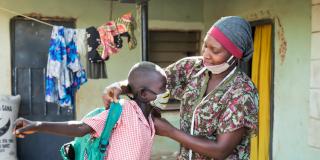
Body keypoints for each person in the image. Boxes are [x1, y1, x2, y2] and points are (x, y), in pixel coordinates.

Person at [104, 16, 259, 160]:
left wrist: (171, 132)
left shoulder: (242, 92)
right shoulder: (192, 68)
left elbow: (221, 150)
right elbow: (150, 80)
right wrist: (119, 87)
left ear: (235, 55)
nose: (206, 54)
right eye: (205, 45)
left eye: (215, 50)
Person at [13, 61, 169, 160]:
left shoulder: (150, 120)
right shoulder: (123, 109)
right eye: (162, 88)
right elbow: (81, 128)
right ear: (143, 94)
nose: (166, 92)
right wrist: (37, 125)